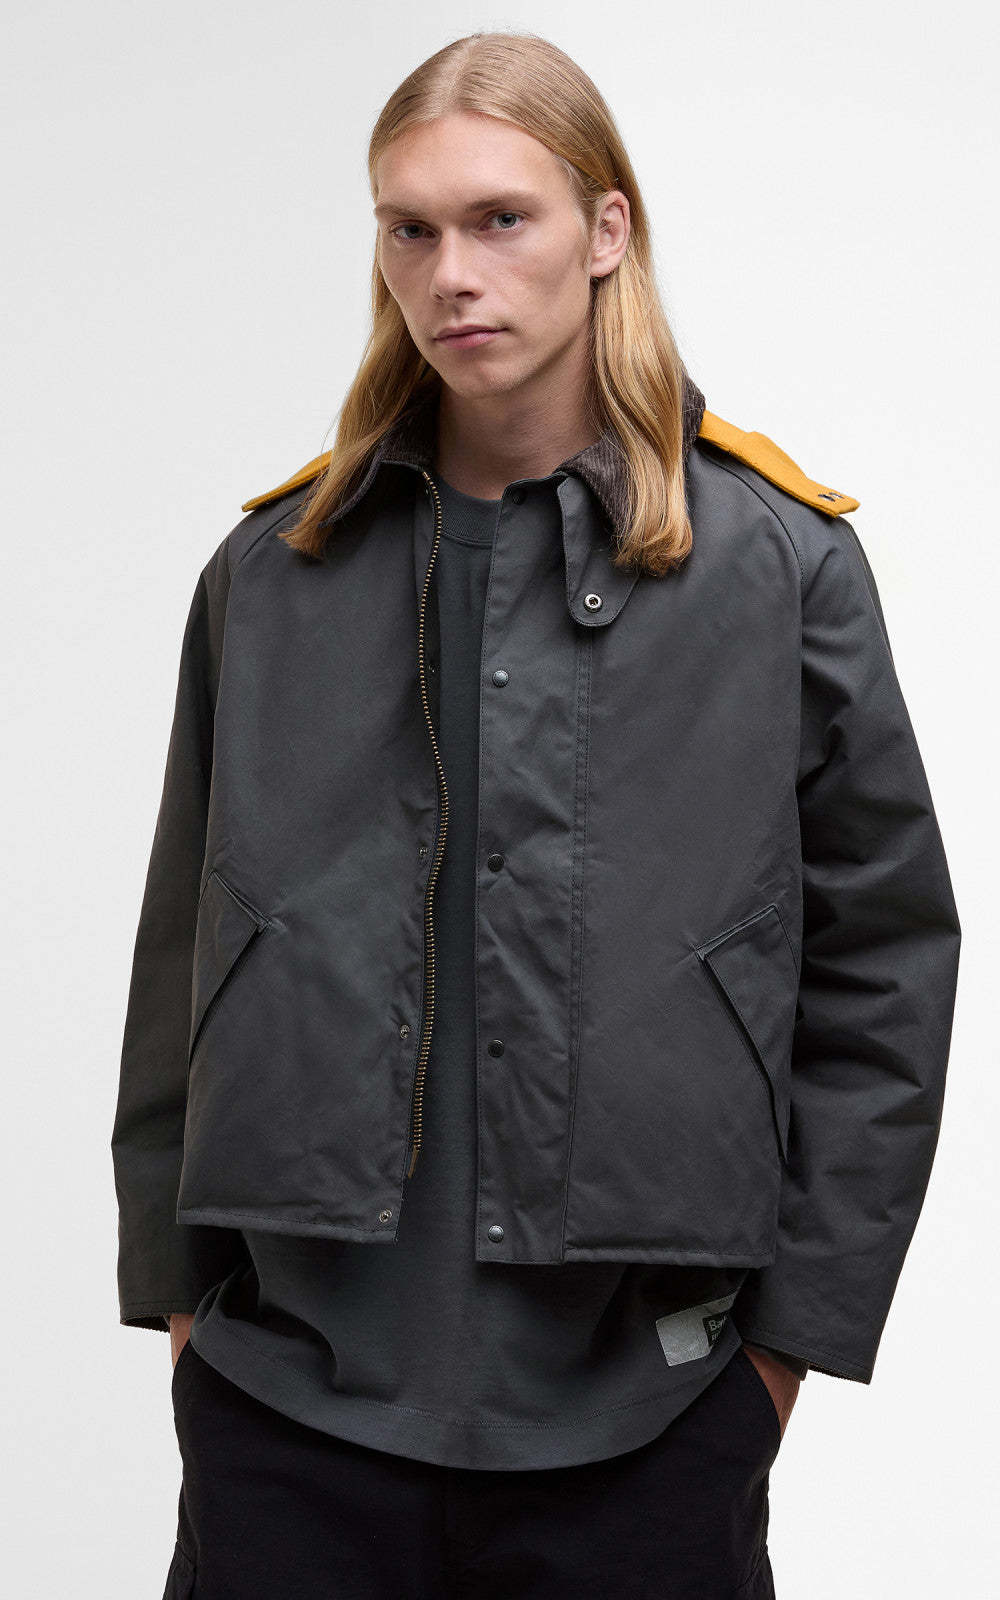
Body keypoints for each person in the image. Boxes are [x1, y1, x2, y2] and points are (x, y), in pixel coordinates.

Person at [111, 31, 962, 1600]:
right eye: (409, 228)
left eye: (501, 218)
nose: (451, 274)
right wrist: (182, 1317)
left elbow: (886, 968)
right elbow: (187, 953)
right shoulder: (272, 576)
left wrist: (779, 1362)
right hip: (288, 1415)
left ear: (606, 229)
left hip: (651, 1424)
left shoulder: (779, 571)